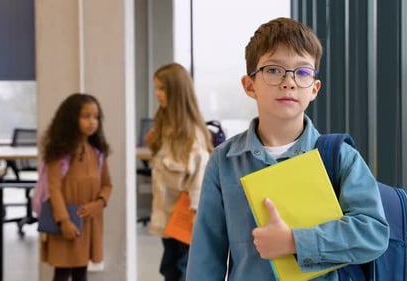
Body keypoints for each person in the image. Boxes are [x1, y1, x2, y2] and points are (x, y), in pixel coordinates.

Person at [186, 17, 389, 281]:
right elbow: (205, 257)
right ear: (249, 85)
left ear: (314, 89)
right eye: (273, 70)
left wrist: (295, 242)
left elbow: (373, 233)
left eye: (302, 72)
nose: (289, 82)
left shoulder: (340, 157)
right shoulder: (224, 162)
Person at [144, 62, 213, 281]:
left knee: (181, 270)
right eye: (156, 88)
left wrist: (194, 218)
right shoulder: (165, 127)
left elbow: (199, 182)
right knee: (170, 268)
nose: (158, 94)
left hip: (185, 220)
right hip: (168, 216)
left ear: (176, 91)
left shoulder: (192, 136)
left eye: (162, 89)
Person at [39, 93, 112, 281]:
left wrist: (99, 203)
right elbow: (53, 188)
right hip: (64, 221)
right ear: (71, 119)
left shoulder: (97, 152)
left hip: (88, 222)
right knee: (62, 271)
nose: (92, 122)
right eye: (86, 116)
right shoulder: (60, 153)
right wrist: (64, 221)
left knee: (81, 270)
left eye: (96, 117)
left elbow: (107, 185)